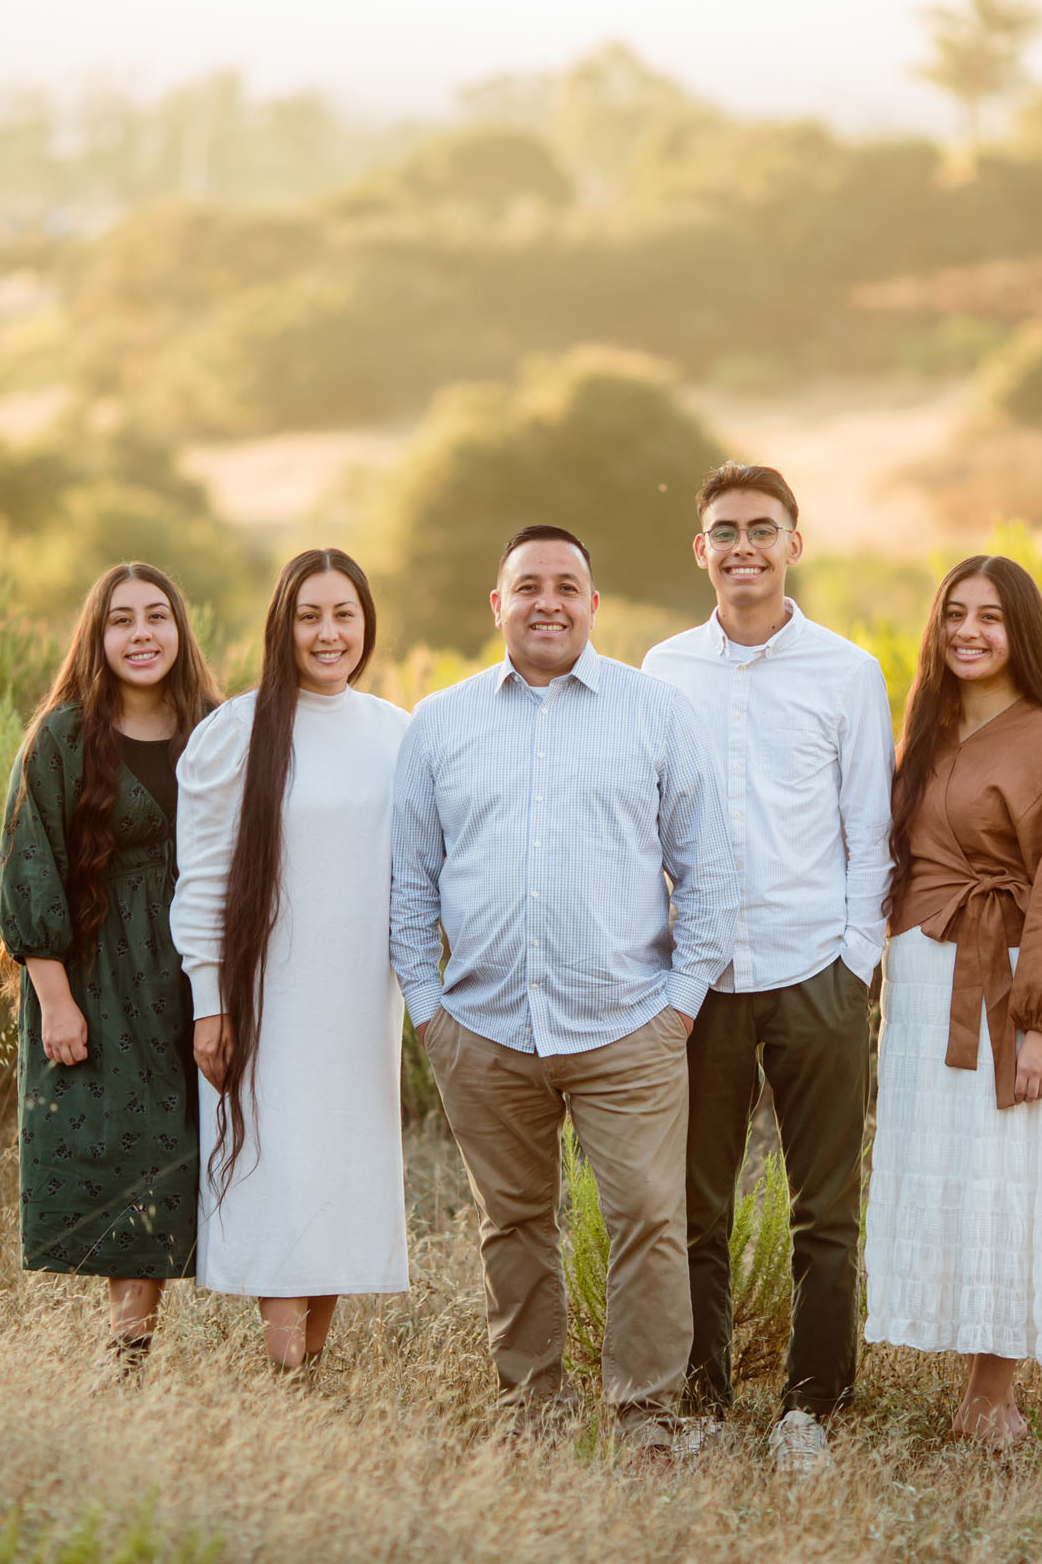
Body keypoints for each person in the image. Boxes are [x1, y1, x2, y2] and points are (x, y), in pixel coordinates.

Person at [390, 524, 737, 1458]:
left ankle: (646, 1420)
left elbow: (708, 874)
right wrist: (430, 1008)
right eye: (528, 585)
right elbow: (410, 882)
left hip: (629, 1027)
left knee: (649, 1222)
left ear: (593, 605)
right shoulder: (440, 723)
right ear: (496, 606)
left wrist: (679, 1010)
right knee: (514, 1225)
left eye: (568, 585)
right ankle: (530, 1413)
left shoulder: (655, 714)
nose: (549, 600)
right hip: (486, 1030)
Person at [641, 463, 892, 1475]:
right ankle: (702, 1400)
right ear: (699, 549)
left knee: (824, 1210)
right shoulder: (661, 670)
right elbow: (643, 824)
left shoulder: (847, 671)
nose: (744, 545)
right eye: (724, 530)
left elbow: (871, 833)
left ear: (796, 542)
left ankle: (809, 1409)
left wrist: (853, 967)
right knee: (691, 1208)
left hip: (813, 975)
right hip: (698, 987)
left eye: (763, 527)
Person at [861, 554, 1042, 1446]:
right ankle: (967, 1388)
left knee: (1008, 1177)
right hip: (926, 983)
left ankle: (992, 1401)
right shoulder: (927, 729)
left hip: (1010, 983)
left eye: (991, 617)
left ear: (1023, 633)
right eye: (953, 614)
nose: (968, 632)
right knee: (951, 1177)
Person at [172, 549, 412, 1369]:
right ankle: (284, 1368)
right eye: (310, 615)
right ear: (283, 624)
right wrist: (210, 1000)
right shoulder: (235, 733)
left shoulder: (395, 732)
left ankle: (302, 1375)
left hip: (359, 1001)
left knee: (342, 1176)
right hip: (264, 1000)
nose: (329, 632)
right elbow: (200, 879)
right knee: (282, 1172)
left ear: (366, 624)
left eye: (344, 613)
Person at [0, 561, 222, 1369]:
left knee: (208, 1150)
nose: (141, 635)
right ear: (97, 637)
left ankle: (277, 1355)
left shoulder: (218, 727)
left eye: (156, 617)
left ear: (179, 631)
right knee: (130, 1152)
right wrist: (55, 1000)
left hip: (202, 976)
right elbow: (30, 869)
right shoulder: (62, 736)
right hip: (102, 980)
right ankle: (128, 1357)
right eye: (120, 621)